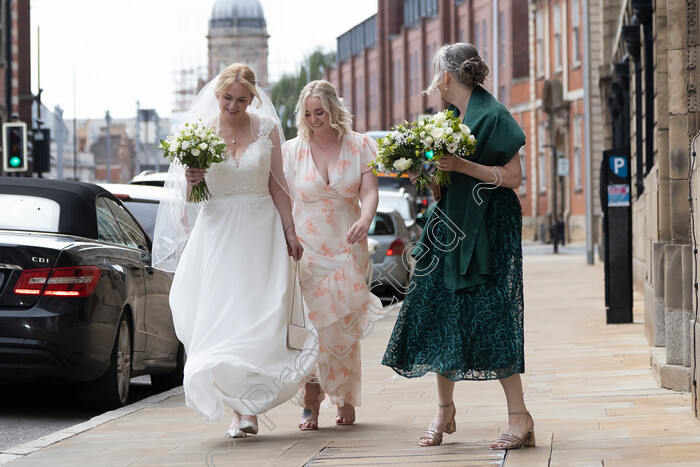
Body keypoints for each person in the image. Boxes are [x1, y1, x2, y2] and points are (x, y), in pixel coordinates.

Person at [381, 43, 534, 450]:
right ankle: (444, 411)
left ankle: (520, 418)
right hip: (449, 224)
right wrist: (422, 169)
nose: (433, 84)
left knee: (491, 317)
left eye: (435, 75)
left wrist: (461, 165)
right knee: (439, 313)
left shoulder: (494, 115)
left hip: (490, 227)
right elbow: (440, 179)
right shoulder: (446, 119)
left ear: (446, 77)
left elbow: (515, 177)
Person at [153, 63, 316, 440]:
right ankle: (237, 407)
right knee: (221, 322)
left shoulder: (267, 128)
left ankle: (247, 410)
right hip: (217, 237)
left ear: (253, 98)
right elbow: (194, 198)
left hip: (262, 236)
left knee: (256, 321)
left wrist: (291, 231)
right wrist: (193, 180)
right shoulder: (200, 132)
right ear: (217, 95)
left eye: (242, 100)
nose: (234, 105)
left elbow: (278, 185)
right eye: (228, 98)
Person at [281, 80, 382, 430]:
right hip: (306, 252)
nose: (314, 119)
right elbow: (281, 200)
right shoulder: (291, 151)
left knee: (344, 327)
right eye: (308, 114)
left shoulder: (359, 145)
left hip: (347, 247)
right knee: (312, 328)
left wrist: (365, 220)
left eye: (320, 112)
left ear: (333, 110)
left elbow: (370, 191)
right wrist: (287, 235)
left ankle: (346, 396)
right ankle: (311, 401)